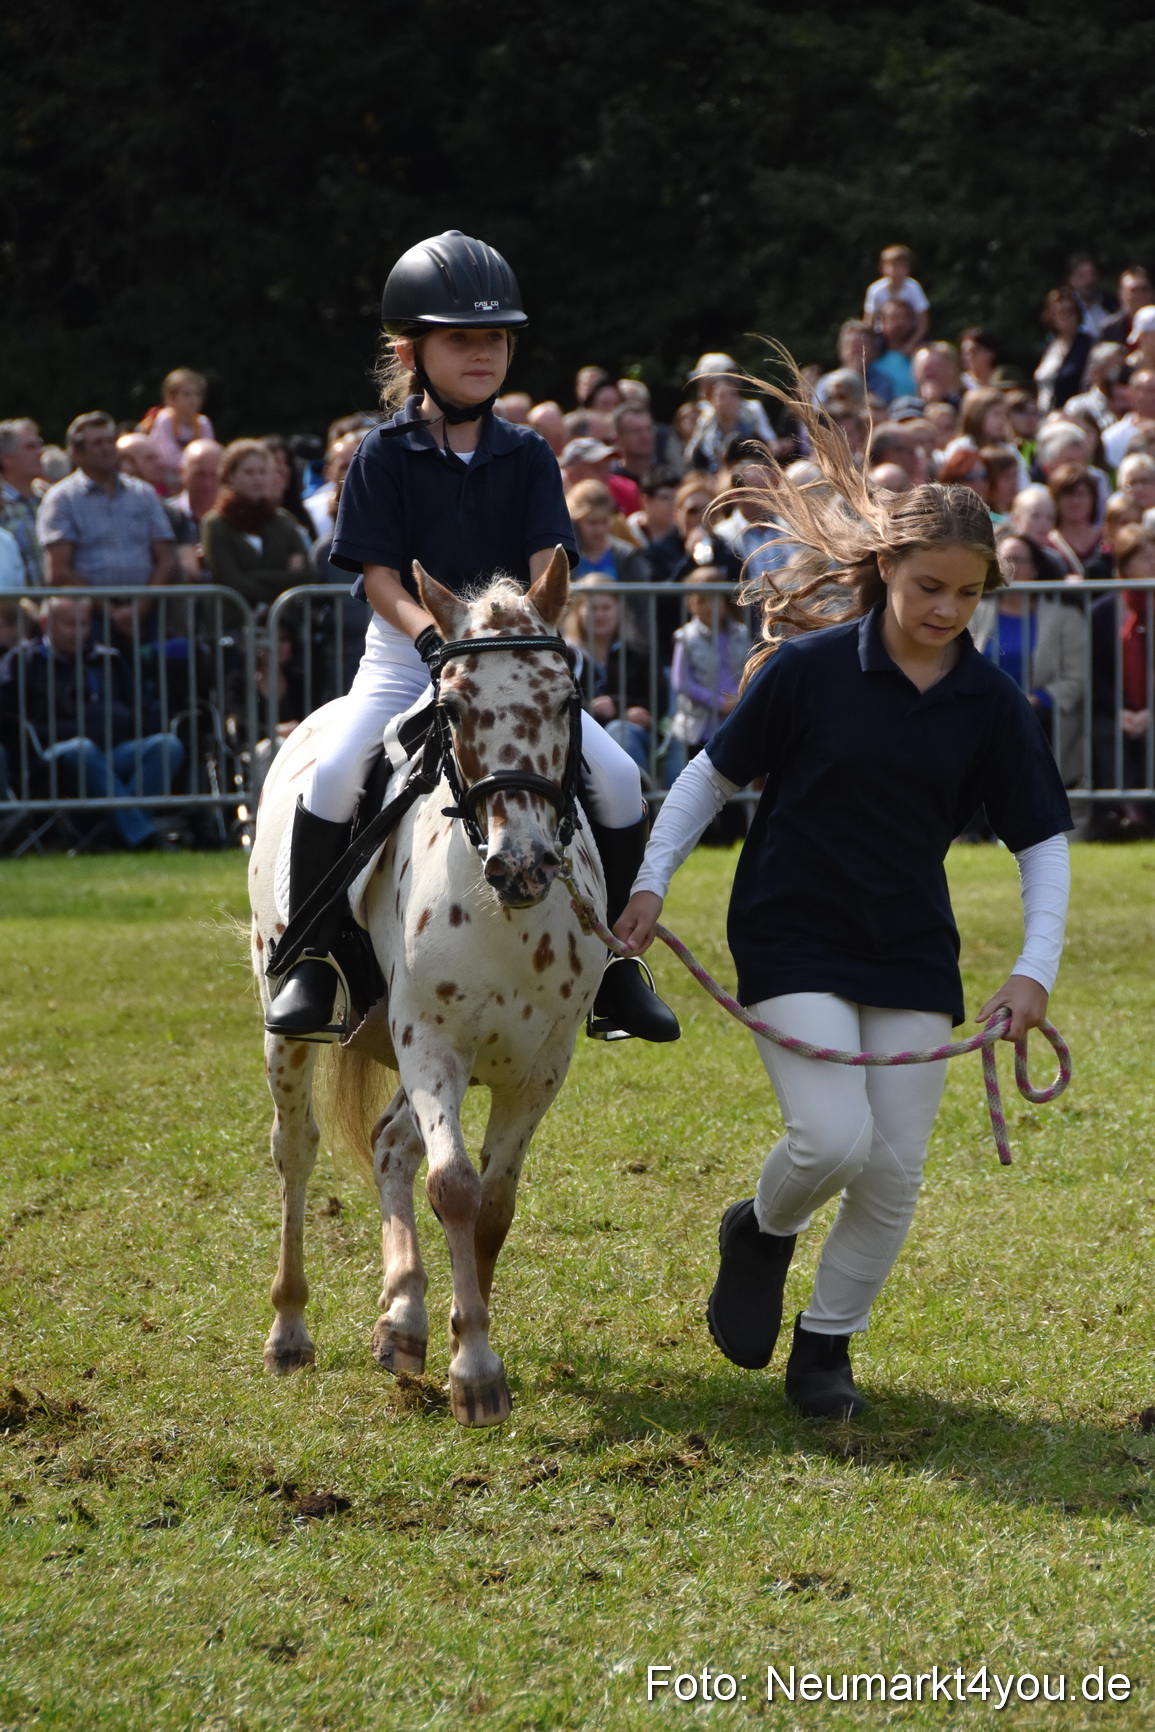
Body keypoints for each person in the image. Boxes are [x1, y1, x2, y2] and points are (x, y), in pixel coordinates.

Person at [613, 367, 1072, 1418]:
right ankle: (759, 1230)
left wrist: (1031, 970)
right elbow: (706, 778)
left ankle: (825, 1351)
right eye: (929, 587)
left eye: (967, 594)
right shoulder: (808, 671)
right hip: (791, 929)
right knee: (832, 1140)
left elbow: (1042, 842)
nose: (946, 610)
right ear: (885, 568)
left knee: (893, 1171)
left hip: (910, 946)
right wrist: (650, 883)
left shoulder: (992, 704)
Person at [266, 230, 678, 1047]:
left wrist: (533, 620)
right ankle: (310, 957)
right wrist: (432, 638)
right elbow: (380, 578)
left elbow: (548, 559)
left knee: (617, 775)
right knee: (337, 773)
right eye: (460, 340)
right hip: (406, 655)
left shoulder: (526, 453)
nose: (482, 353)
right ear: (410, 352)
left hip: (509, 657)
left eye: (494, 337)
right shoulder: (380, 455)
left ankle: (617, 969)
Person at [0, 595, 185, 848]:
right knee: (81, 747)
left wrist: (118, 718)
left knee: (167, 746)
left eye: (84, 624)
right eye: (69, 624)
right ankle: (143, 837)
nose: (78, 632)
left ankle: (119, 835)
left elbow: (139, 707)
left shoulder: (107, 658)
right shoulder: (22, 661)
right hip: (49, 755)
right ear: (45, 623)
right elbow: (11, 719)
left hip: (111, 751)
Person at [971, 531, 1087, 788]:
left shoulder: (1065, 616)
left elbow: (1076, 678)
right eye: (1004, 560)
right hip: (984, 710)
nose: (1010, 567)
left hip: (1040, 716)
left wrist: (1037, 699)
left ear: (1035, 568)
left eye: (1018, 560)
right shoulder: (974, 610)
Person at [38, 412, 176, 595]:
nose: (107, 448)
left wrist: (141, 605)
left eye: (110, 441)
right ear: (76, 453)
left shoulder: (143, 494)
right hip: (87, 609)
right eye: (97, 443)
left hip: (146, 606)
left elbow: (167, 560)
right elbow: (59, 571)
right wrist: (106, 608)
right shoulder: (61, 499)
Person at [1090, 523, 1155, 836]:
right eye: (1146, 558)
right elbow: (1097, 672)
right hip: (1116, 708)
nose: (1153, 564)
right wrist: (1119, 710)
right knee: (1106, 732)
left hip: (1151, 707)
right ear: (1126, 565)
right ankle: (1127, 810)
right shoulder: (1103, 611)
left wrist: (1150, 711)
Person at [665, 560, 751, 792]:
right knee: (703, 785)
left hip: (735, 719)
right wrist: (718, 703)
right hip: (700, 727)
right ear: (690, 604)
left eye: (714, 599)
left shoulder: (741, 633)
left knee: (734, 784)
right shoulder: (686, 637)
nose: (708, 607)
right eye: (701, 600)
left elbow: (751, 669)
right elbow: (681, 682)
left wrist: (741, 698)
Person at [564, 578, 665, 774]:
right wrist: (602, 711)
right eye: (592, 608)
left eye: (606, 608)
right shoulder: (567, 655)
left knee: (621, 731)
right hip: (582, 734)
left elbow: (658, 702)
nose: (600, 614)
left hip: (634, 734)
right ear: (578, 612)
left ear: (619, 610)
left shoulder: (638, 653)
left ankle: (636, 789)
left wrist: (618, 707)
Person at [200, 440, 311, 606]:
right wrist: (282, 587)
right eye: (249, 472)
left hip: (283, 619)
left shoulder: (283, 520)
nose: (257, 479)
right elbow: (232, 582)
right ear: (230, 476)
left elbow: (305, 576)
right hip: (234, 618)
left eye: (263, 472)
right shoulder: (216, 523)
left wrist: (255, 575)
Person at [145, 369, 215, 491]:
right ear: (171, 398)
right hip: (165, 473)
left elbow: (210, 452)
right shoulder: (166, 419)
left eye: (197, 394)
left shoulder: (203, 423)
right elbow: (168, 456)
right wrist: (193, 468)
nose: (193, 399)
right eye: (186, 394)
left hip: (192, 472)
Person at [567, 480, 642, 581]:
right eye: (592, 523)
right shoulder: (566, 557)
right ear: (576, 522)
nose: (599, 530)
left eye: (604, 522)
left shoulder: (626, 556)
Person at [0, 419, 46, 586]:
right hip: (14, 601)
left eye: (39, 445)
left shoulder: (47, 500)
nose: (40, 453)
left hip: (55, 600)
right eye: (30, 447)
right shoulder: (2, 505)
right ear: (5, 458)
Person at [1035, 290, 1094, 413]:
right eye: (1058, 311)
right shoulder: (1049, 346)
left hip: (1075, 412)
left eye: (1069, 311)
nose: (1064, 316)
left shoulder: (1089, 345)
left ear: (1078, 314)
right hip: (1046, 413)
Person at [863, 245, 929, 344]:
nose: (896, 271)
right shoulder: (875, 290)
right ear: (883, 268)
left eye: (901, 266)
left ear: (908, 269)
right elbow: (869, 323)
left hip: (910, 335)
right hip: (882, 336)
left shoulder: (914, 288)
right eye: (892, 266)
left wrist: (910, 345)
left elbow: (923, 322)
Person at [872, 300, 919, 400]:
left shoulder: (922, 357)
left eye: (905, 318)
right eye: (894, 318)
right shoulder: (871, 357)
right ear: (883, 323)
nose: (900, 323)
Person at [1066, 253, 1118, 339]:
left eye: (1092, 274)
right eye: (1082, 276)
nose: (1089, 280)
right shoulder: (1068, 309)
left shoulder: (1111, 303)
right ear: (1071, 280)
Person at [1101, 266, 1154, 345]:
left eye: (1144, 289)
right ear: (1121, 295)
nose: (1140, 295)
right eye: (1133, 290)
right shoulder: (1110, 328)